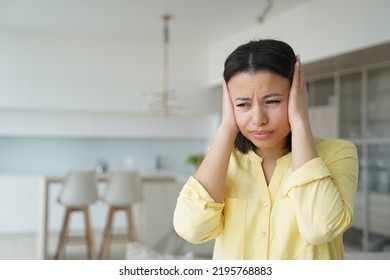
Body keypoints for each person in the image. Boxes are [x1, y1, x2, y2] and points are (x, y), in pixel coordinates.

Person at [173, 39, 359, 260]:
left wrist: (300, 121)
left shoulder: (339, 153)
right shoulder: (224, 158)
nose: (258, 119)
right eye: (242, 105)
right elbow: (192, 229)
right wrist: (226, 126)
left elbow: (320, 228)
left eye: (272, 101)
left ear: (296, 96)